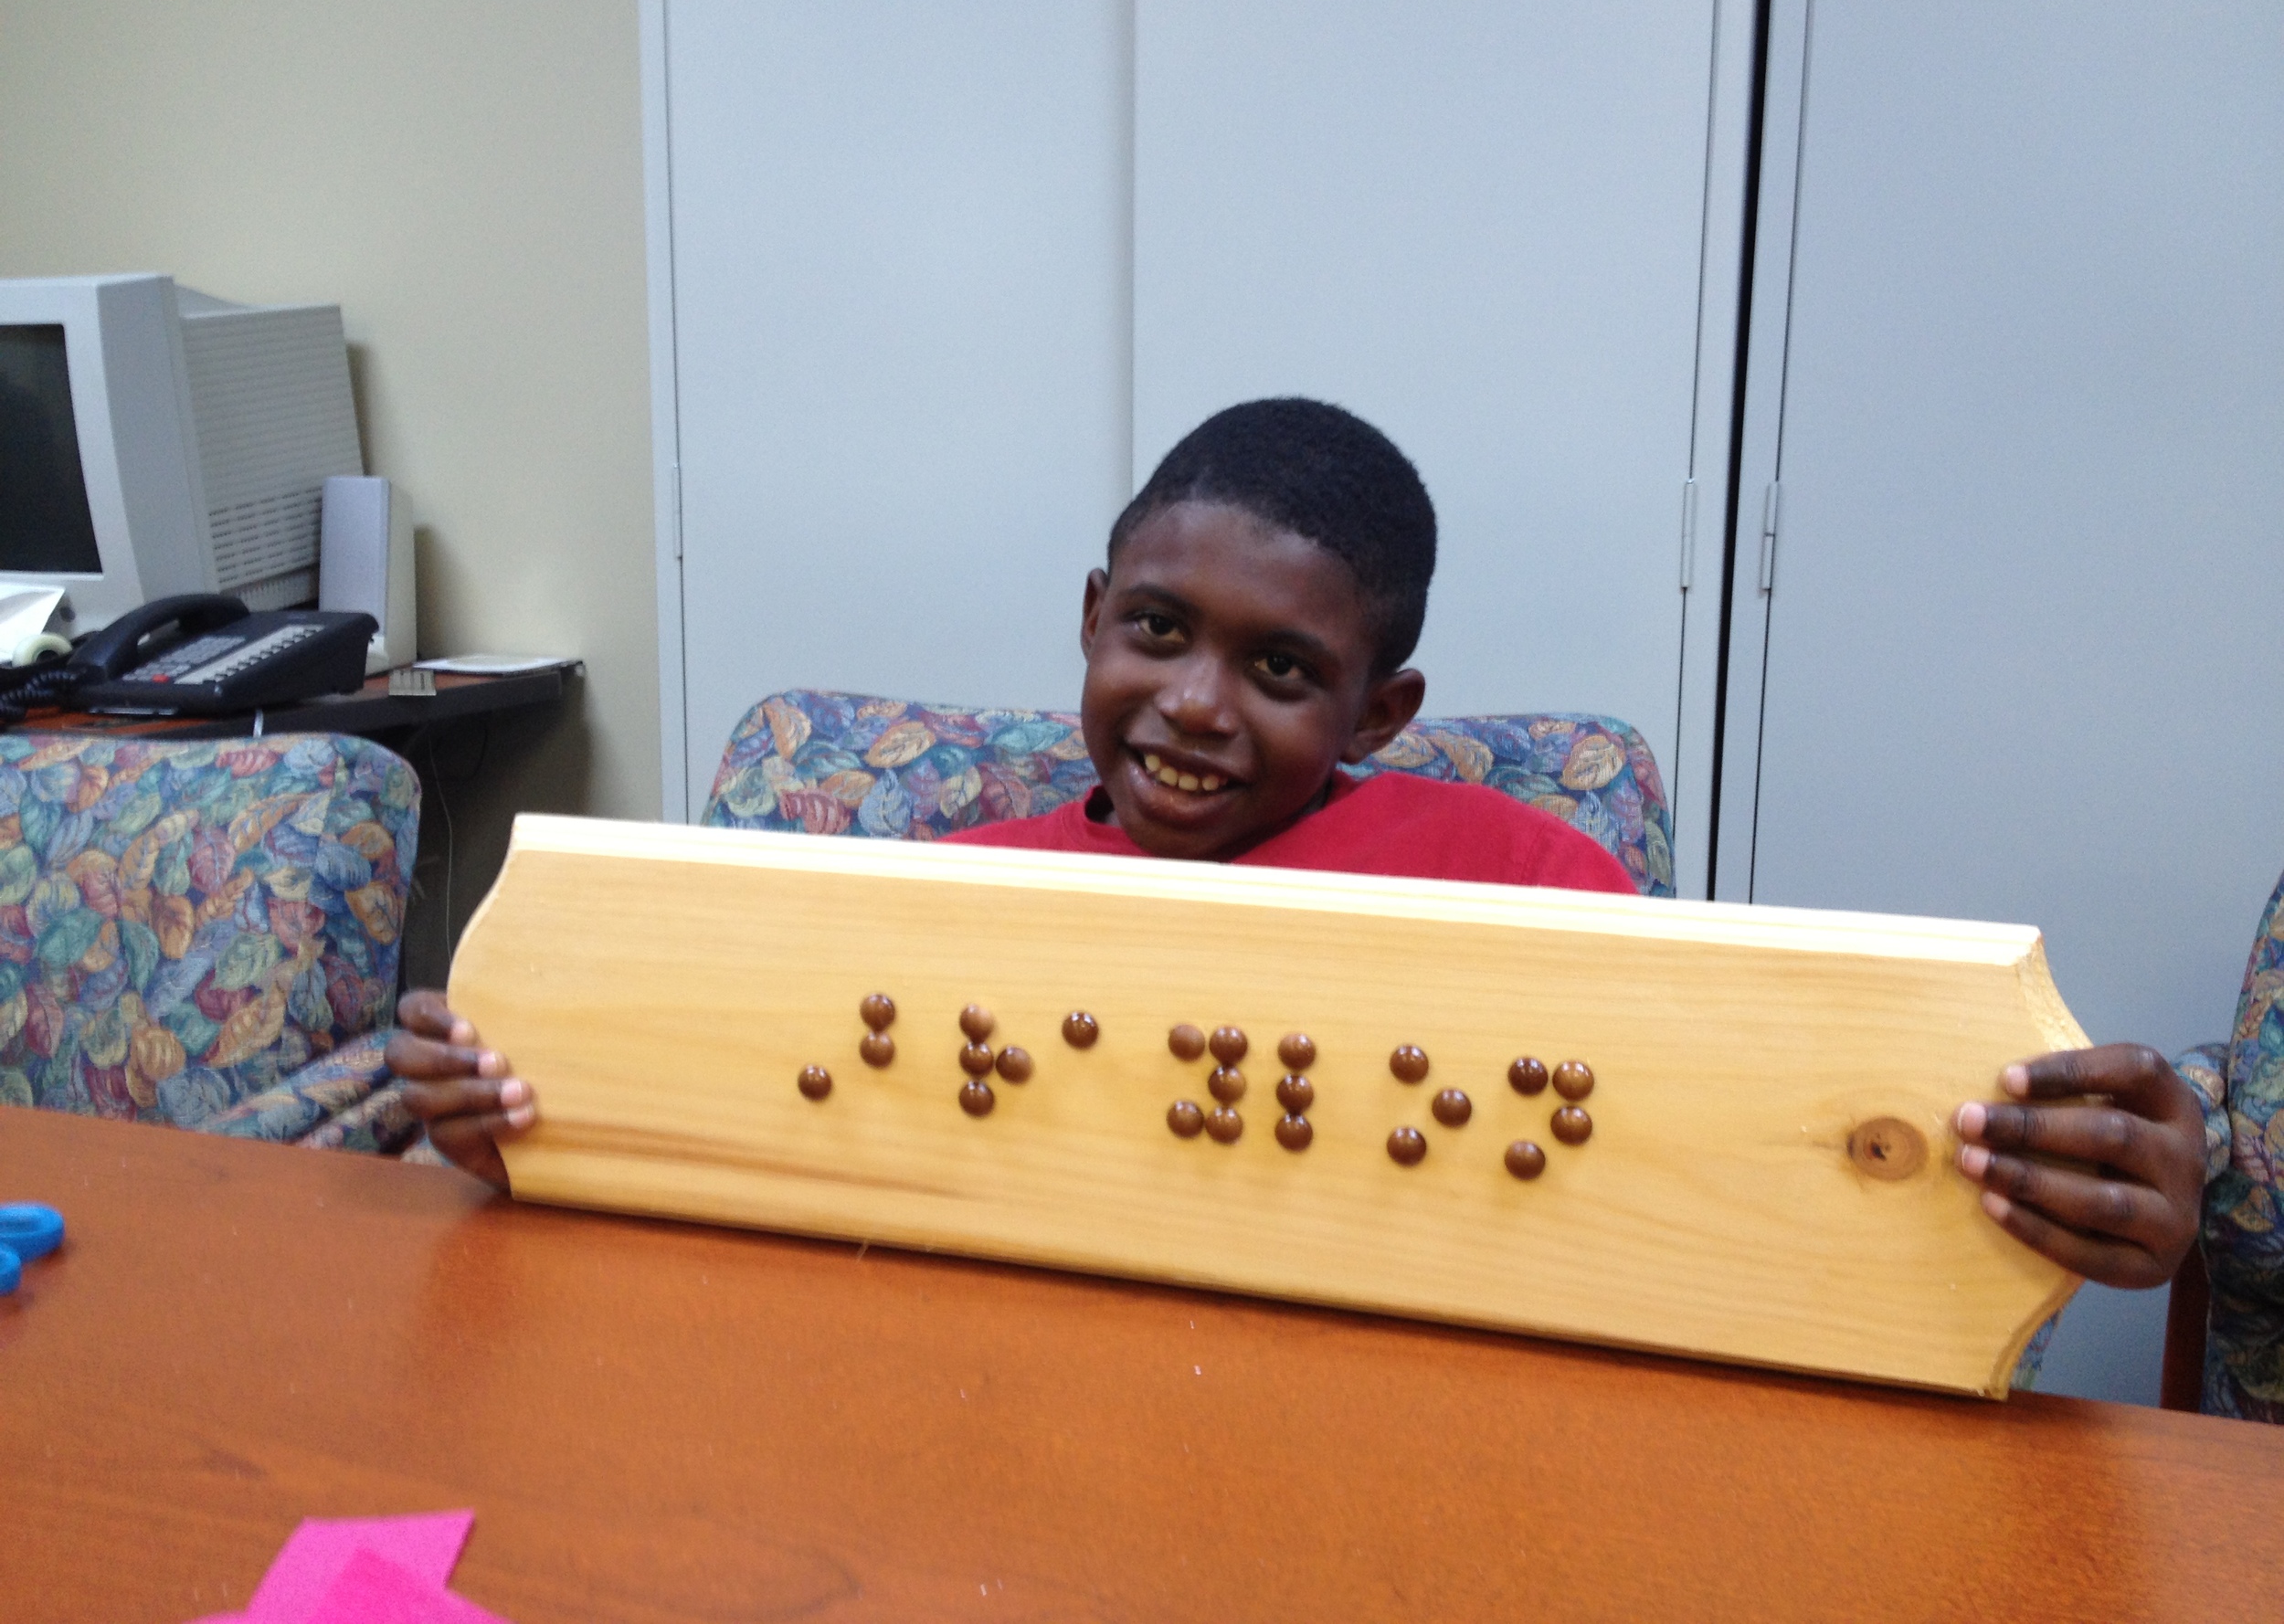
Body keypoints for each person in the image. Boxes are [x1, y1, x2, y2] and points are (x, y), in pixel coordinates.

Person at [387, 398, 2208, 1302]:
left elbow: (1748, 1145)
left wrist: (2037, 1183)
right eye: (1156, 630)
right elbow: (756, 1153)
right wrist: (521, 1124)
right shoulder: (956, 897)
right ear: (1091, 615)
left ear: (1379, 709)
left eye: (1279, 670)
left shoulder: (1526, 886)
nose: (1193, 704)